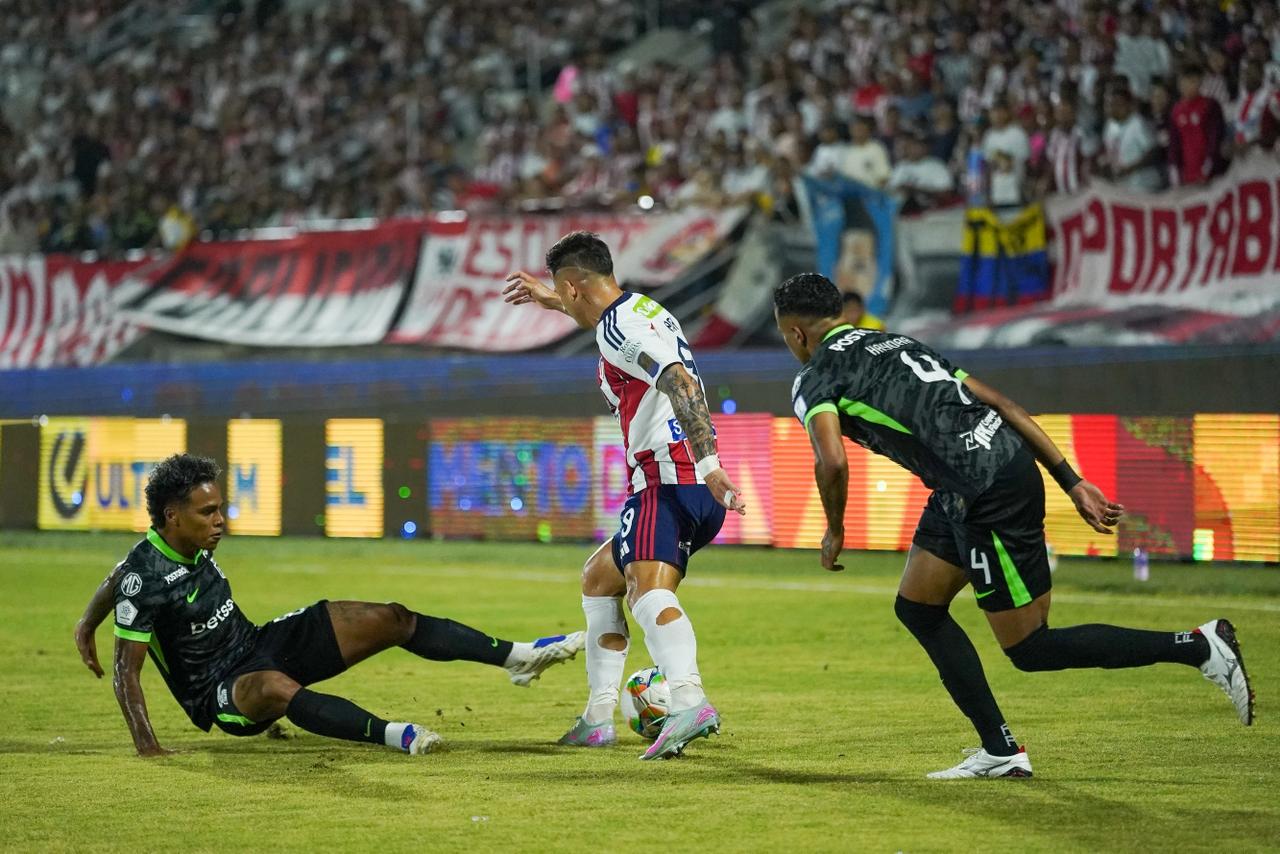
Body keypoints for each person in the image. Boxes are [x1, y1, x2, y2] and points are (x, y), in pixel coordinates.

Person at [772, 273, 1254, 779]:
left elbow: (832, 462)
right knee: (918, 608)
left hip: (986, 494)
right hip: (978, 478)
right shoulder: (895, 341)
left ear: (797, 334)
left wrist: (834, 529)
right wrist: (1071, 480)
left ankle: (1199, 645)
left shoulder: (815, 378)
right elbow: (1002, 404)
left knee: (1030, 647)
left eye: (786, 337)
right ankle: (1000, 750)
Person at [73, 454, 584, 757]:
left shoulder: (159, 555)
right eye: (208, 512)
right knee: (276, 688)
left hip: (257, 643)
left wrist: (83, 624)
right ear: (172, 516)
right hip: (221, 692)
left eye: (221, 508)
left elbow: (112, 578)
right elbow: (126, 669)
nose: (220, 520)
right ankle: (398, 736)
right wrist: (149, 746)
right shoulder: (147, 577)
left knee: (392, 617)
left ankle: (517, 657)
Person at [502, 231, 745, 760]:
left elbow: (680, 381)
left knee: (645, 592)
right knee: (599, 578)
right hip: (685, 482)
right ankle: (597, 716)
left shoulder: (617, 331)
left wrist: (710, 466)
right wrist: (554, 301)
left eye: (561, 293)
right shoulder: (642, 309)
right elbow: (624, 337)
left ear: (573, 286)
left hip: (669, 480)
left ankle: (688, 699)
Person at [1168, 64, 1226, 186]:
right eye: (1184, 81)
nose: (1188, 85)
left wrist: (1207, 171)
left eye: (1193, 81)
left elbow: (1215, 139)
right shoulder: (1176, 110)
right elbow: (1174, 144)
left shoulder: (1210, 105)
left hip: (1209, 175)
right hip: (1187, 175)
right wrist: (1175, 175)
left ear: (1200, 83)